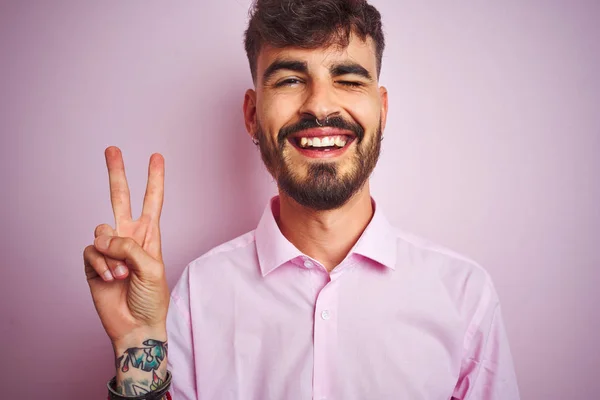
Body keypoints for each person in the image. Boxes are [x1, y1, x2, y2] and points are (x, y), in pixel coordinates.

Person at [83, 0, 521, 399]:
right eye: (291, 79)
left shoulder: (463, 295)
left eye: (348, 79)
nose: (319, 105)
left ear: (382, 111)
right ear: (253, 116)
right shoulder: (197, 296)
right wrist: (137, 341)